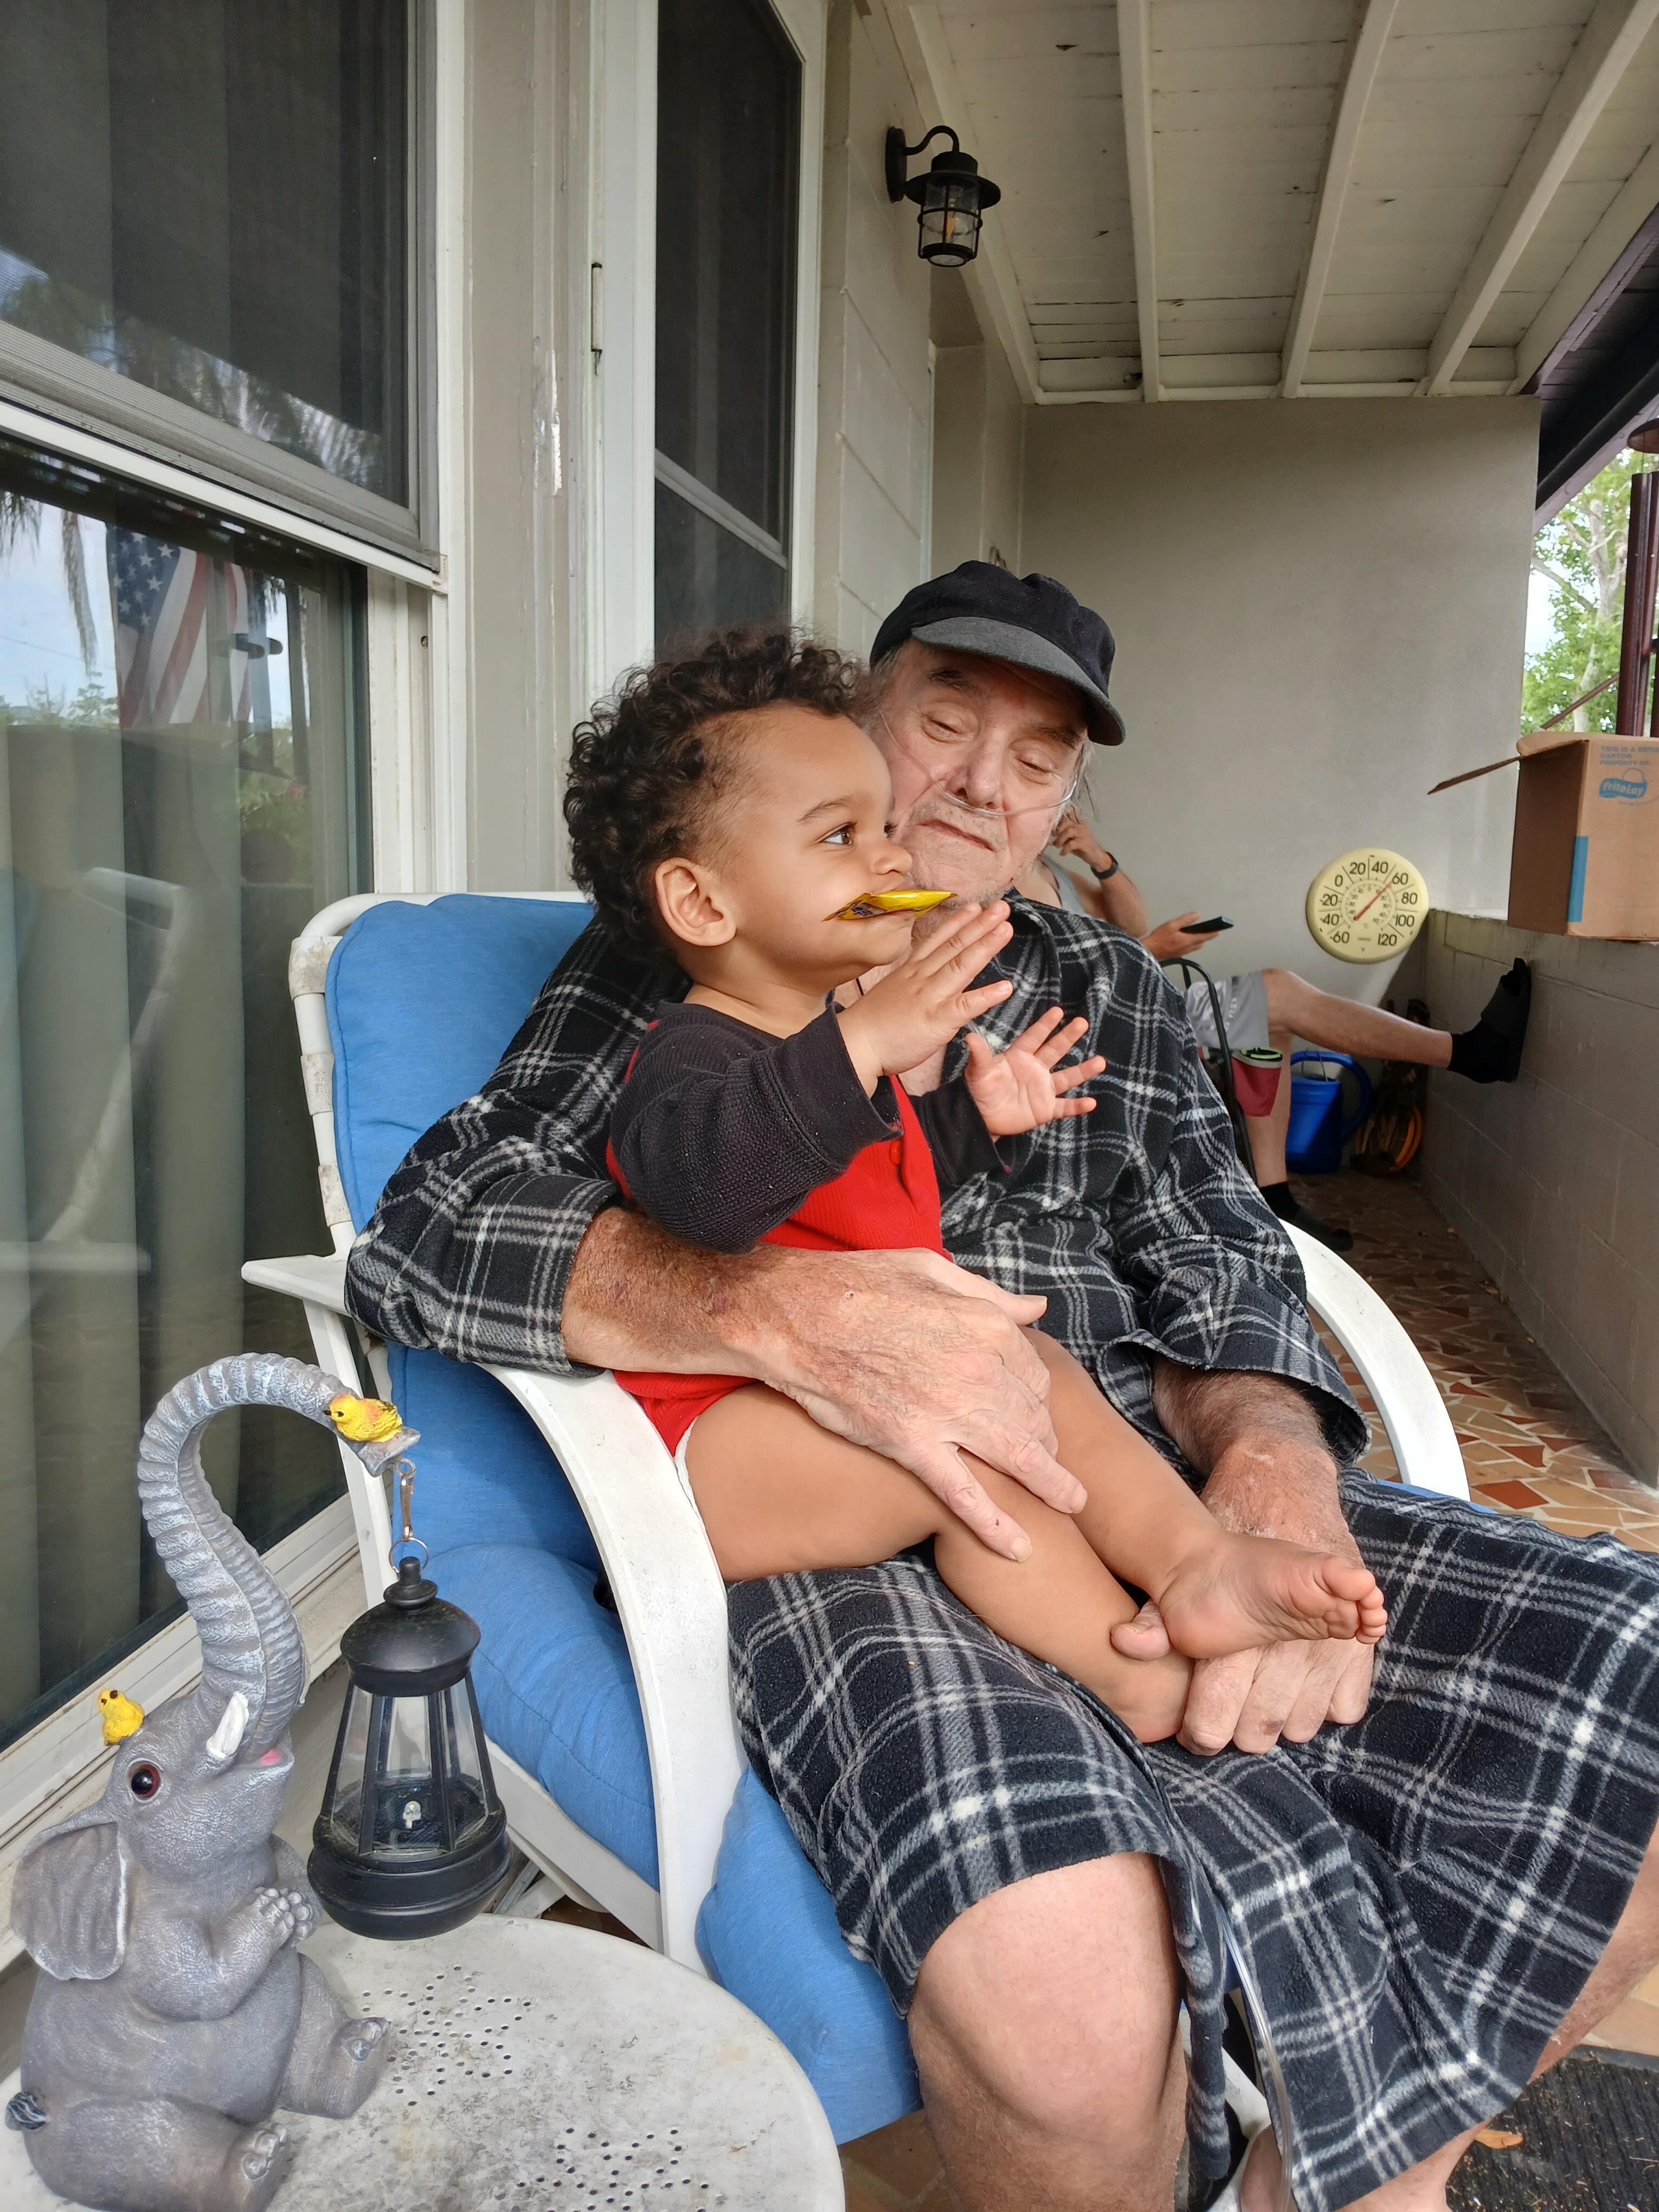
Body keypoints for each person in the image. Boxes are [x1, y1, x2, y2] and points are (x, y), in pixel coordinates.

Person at [347, 567, 1659, 2212]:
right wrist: (769, 1311)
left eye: (1037, 758)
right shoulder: (717, 946)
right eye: (943, 723)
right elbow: (433, 1231)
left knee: (1636, 1659)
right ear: (857, 735)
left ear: (1066, 801)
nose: (980, 782)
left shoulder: (1108, 986)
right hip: (843, 1505)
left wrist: (1263, 1482)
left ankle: (1352, 2160)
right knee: (1066, 2005)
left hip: (1104, 1455)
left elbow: (1231, 1266)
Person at [562, 666, 1385, 1740]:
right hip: (714, 1444)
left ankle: (1197, 1562)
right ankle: (1134, 1678)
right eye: (839, 837)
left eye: (878, 829)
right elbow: (706, 1197)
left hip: (851, 1405)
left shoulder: (834, 1051)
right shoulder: (692, 1056)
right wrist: (861, 1043)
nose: (891, 856)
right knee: (973, 1436)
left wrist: (969, 1126)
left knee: (1031, 1368)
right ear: (704, 901)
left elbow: (862, 1200)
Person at [1021, 817, 1532, 1252]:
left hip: (1134, 1001)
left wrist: (1097, 856)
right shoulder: (1013, 884)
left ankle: (1273, 1195)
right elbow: (1062, 988)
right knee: (1275, 996)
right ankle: (1470, 1054)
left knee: (1267, 1013)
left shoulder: (1050, 871)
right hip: (1090, 1028)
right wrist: (1156, 949)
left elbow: (1130, 923)